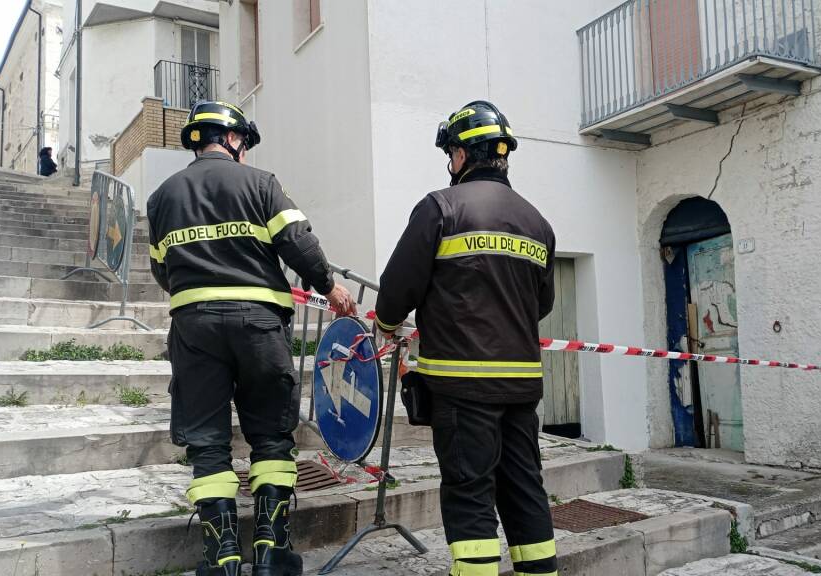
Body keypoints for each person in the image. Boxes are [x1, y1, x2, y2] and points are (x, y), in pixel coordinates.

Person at [146, 100, 356, 576]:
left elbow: (162, 268)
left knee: (208, 444)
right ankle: (270, 551)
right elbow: (297, 242)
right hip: (260, 326)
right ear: (234, 139)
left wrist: (196, 294)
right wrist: (330, 286)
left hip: (194, 328)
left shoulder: (161, 197)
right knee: (271, 437)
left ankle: (220, 557)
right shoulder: (261, 183)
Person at [374, 101, 558, 576]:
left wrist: (389, 326)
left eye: (451, 153)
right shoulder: (538, 221)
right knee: (523, 488)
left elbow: (398, 289)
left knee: (469, 490)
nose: (450, 162)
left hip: (462, 384)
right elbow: (542, 305)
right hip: (521, 385)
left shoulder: (441, 207)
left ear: (461, 154)